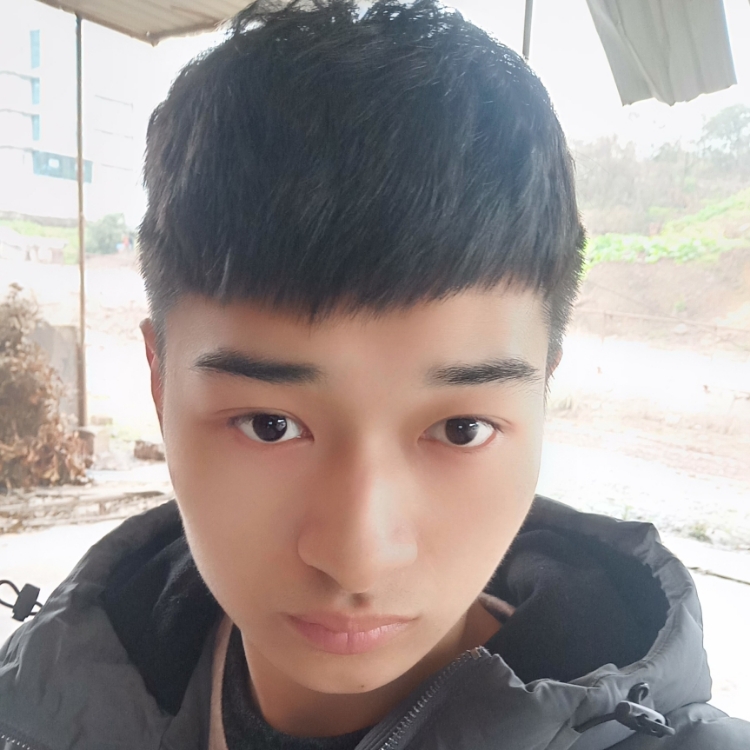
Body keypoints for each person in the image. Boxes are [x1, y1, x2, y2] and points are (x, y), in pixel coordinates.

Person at [1, 1, 748, 748]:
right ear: (160, 386)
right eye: (270, 425)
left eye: (461, 428)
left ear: (542, 395)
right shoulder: (41, 708)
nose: (357, 558)